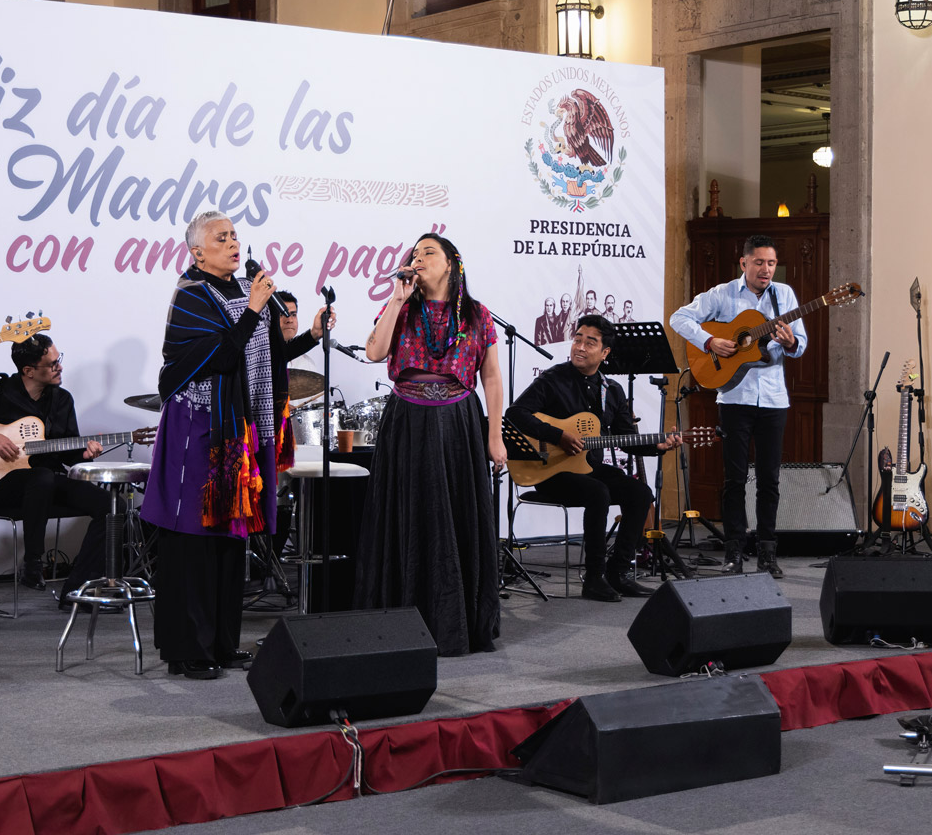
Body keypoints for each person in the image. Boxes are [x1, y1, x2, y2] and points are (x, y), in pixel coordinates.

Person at [138, 211, 294, 680]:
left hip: (236, 430)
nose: (233, 243)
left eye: (234, 235)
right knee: (194, 543)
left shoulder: (245, 291)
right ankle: (188, 650)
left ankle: (222, 642)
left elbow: (266, 355)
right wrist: (252, 311)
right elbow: (221, 355)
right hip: (199, 431)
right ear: (197, 252)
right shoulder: (190, 295)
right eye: (221, 237)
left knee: (228, 540)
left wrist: (309, 334)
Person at [355, 232, 503, 655]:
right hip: (408, 422)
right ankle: (402, 623)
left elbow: (490, 377)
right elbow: (374, 351)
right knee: (410, 517)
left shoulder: (477, 314)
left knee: (454, 519)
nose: (418, 258)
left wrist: (494, 436)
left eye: (428, 252)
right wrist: (397, 300)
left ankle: (457, 621)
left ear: (453, 263)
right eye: (414, 253)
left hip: (458, 422)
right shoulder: (401, 307)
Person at [505, 315, 681, 601]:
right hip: (551, 473)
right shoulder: (553, 379)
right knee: (598, 492)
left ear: (605, 352)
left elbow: (628, 438)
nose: (580, 347)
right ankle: (594, 578)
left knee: (640, 493)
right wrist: (557, 436)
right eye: (577, 339)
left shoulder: (611, 390)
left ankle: (618, 573)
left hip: (590, 469)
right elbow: (516, 414)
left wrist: (658, 446)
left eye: (590, 342)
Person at [670, 234, 806, 578]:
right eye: (759, 262)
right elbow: (678, 318)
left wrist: (790, 342)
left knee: (769, 480)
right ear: (744, 263)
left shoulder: (784, 295)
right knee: (734, 479)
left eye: (771, 263)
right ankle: (733, 553)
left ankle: (766, 554)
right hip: (734, 397)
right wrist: (710, 340)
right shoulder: (723, 294)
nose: (766, 269)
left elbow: (800, 345)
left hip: (774, 398)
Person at [0, 334, 113, 600]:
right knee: (42, 476)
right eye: (52, 364)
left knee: (108, 506)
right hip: (0, 485)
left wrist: (86, 454)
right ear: (28, 371)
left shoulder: (62, 400)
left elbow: (71, 456)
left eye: (58, 360)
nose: (59, 367)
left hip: (47, 482)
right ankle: (33, 562)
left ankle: (78, 588)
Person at [273, 290, 336, 361]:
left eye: (293, 315)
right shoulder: (261, 351)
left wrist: (315, 332)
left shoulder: (305, 363)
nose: (290, 320)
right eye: (282, 314)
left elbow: (284, 353)